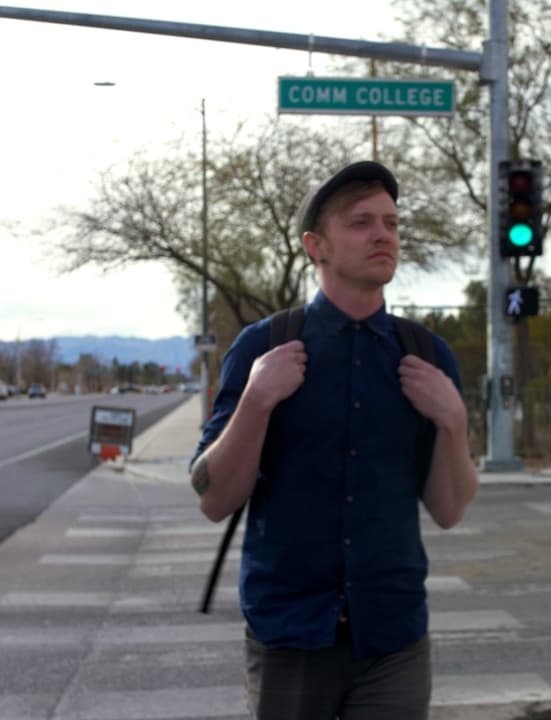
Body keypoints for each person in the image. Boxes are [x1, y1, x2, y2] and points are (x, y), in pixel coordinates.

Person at [190, 160, 479, 720]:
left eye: (392, 223)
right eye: (361, 222)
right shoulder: (264, 347)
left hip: (392, 637)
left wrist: (454, 421)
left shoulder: (426, 357)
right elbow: (214, 498)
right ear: (315, 245)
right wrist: (256, 399)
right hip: (290, 635)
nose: (383, 235)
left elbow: (448, 510)